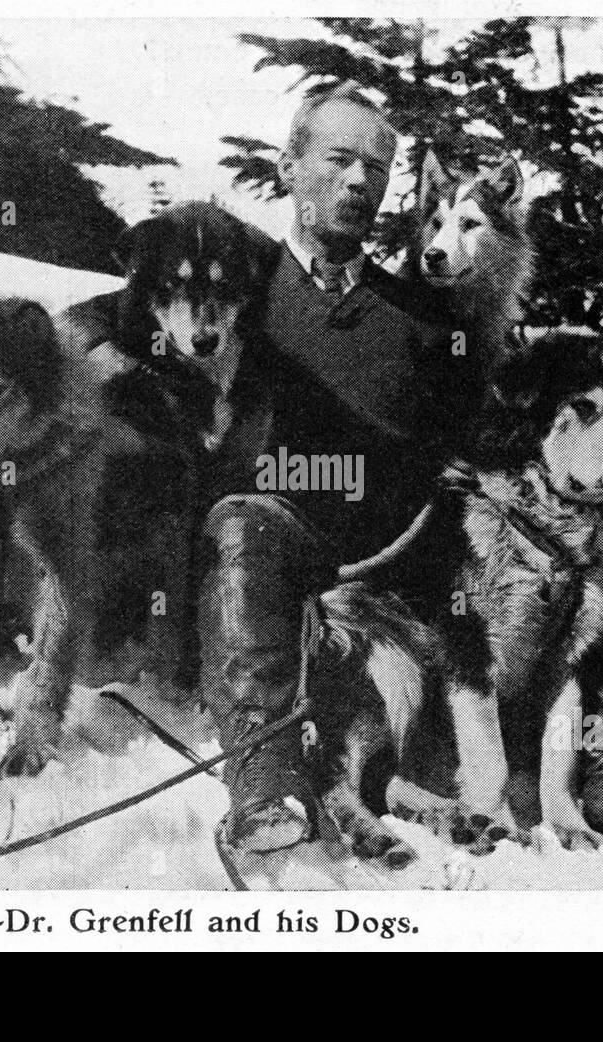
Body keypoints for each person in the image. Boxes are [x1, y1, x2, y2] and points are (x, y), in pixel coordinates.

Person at [199, 81, 477, 852]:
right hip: (252, 565)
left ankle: (394, 776)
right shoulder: (233, 299)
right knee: (245, 520)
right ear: (290, 167)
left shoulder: (421, 323)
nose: (360, 182)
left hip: (381, 575)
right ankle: (265, 786)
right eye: (340, 159)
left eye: (378, 171)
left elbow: (468, 451)